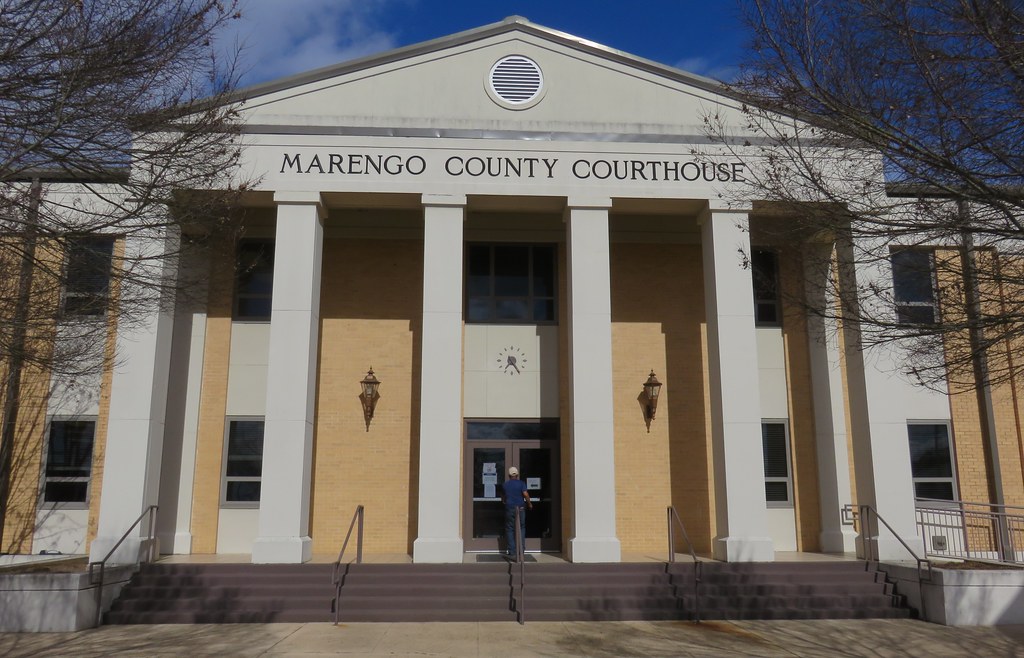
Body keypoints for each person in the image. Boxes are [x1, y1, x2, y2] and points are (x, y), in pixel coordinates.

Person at [501, 466, 531, 559]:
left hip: (510, 508)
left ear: (509, 475)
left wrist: (504, 501)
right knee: (521, 527)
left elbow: (503, 497)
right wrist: (529, 503)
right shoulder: (521, 483)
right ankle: (521, 550)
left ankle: (512, 550)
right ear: (517, 475)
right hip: (521, 507)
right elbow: (525, 494)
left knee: (510, 528)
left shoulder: (505, 484)